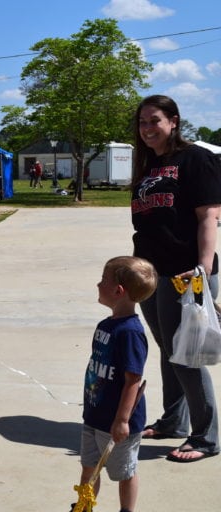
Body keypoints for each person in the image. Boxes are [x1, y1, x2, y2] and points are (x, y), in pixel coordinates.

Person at [131, 94, 221, 463]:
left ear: (173, 121)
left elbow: (208, 216)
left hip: (185, 272)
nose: (147, 128)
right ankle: (174, 421)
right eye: (142, 123)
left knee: (186, 355)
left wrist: (202, 269)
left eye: (154, 121)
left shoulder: (195, 158)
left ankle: (206, 437)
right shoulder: (150, 164)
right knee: (170, 350)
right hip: (151, 271)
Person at [72, 256, 157, 512]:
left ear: (118, 291)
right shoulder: (106, 325)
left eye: (103, 281)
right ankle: (85, 506)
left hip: (118, 422)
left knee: (124, 472)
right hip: (95, 414)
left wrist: (122, 420)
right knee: (89, 467)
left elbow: (133, 380)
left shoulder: (130, 332)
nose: (98, 285)